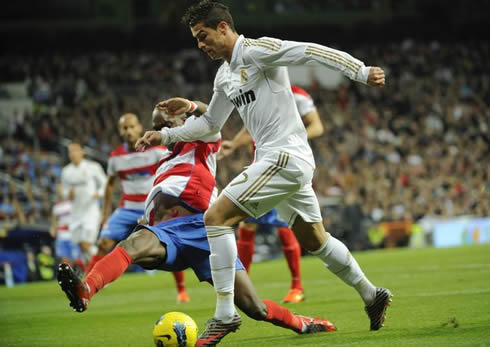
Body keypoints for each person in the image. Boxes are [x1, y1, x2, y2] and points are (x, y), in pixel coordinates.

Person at [136, 1, 392, 344]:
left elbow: (310, 52)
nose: (200, 44)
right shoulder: (225, 75)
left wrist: (360, 71)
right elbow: (212, 124)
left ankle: (225, 314)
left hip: (284, 156)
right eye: (197, 39)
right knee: (315, 239)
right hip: (278, 162)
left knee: (216, 218)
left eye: (203, 35)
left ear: (224, 27)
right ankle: (371, 294)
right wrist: (165, 134)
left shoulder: (258, 50)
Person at [57, 105, 337, 344]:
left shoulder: (200, 142)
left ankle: (302, 323)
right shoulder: (164, 161)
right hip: (172, 234)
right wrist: (150, 216)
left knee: (254, 307)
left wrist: (192, 106)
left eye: (165, 123)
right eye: (158, 125)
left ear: (181, 122)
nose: (162, 130)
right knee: (131, 244)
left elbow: (211, 119)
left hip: (202, 228)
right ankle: (86, 290)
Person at [218, 84, 324, 303]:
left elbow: (317, 126)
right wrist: (235, 145)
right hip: (262, 165)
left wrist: (294, 136)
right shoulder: (259, 92)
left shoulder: (297, 94)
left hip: (286, 165)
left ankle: (297, 286)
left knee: (285, 225)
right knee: (247, 223)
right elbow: (250, 129)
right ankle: (242, 286)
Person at [85, 113, 190, 303]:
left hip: (151, 207)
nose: (129, 131)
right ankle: (85, 286)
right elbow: (110, 184)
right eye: (125, 128)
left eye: (132, 127)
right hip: (127, 208)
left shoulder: (157, 151)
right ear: (120, 131)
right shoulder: (116, 157)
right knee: (103, 243)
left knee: (169, 246)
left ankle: (181, 290)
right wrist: (105, 213)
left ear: (140, 128)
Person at [61, 141, 107, 270]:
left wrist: (99, 193)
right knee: (82, 246)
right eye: (70, 151)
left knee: (86, 244)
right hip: (76, 213)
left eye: (75, 150)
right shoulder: (66, 172)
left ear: (82, 151)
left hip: (90, 211)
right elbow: (64, 192)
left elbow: (104, 183)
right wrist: (68, 194)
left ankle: (105, 266)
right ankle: (95, 271)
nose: (73, 154)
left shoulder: (93, 167)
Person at [50, 184, 83, 271]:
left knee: (76, 259)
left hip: (72, 233)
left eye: (61, 188)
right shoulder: (56, 206)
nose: (59, 191)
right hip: (61, 234)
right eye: (58, 189)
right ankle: (69, 278)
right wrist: (53, 229)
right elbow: (55, 220)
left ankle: (86, 273)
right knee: (64, 259)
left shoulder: (71, 202)